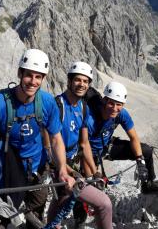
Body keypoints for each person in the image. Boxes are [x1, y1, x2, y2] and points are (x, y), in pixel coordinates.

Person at [0, 49, 75, 229]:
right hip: (9, 170)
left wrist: (62, 169)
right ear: (20, 73)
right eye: (29, 75)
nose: (33, 81)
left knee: (35, 215)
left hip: (38, 169)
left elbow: (56, 139)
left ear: (43, 78)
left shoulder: (46, 102)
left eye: (39, 77)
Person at [47, 61, 112, 229]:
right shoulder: (57, 106)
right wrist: (73, 172)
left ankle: (52, 224)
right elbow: (50, 145)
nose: (81, 84)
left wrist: (95, 172)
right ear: (69, 81)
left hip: (71, 160)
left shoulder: (83, 107)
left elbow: (84, 144)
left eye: (85, 81)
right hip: (57, 163)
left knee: (62, 198)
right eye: (77, 80)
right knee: (104, 203)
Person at [84, 81, 158, 193]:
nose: (114, 108)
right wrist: (93, 173)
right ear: (104, 100)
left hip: (105, 146)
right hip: (88, 153)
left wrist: (140, 161)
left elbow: (134, 138)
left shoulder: (121, 113)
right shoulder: (90, 119)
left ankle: (148, 184)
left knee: (146, 151)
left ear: (123, 105)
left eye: (119, 104)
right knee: (91, 189)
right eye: (111, 103)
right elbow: (84, 147)